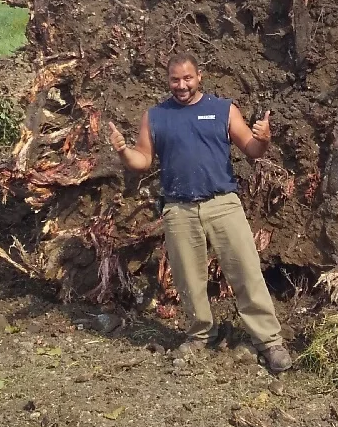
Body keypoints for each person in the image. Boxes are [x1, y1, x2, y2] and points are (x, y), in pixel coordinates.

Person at [109, 53, 292, 373]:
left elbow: (251, 149)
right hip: (178, 208)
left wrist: (263, 140)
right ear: (168, 81)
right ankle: (200, 335)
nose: (181, 85)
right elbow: (143, 161)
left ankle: (269, 340)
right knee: (189, 279)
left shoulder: (223, 109)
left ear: (200, 77)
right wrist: (124, 150)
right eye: (175, 80)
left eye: (187, 78)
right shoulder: (155, 116)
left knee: (246, 271)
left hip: (222, 204)